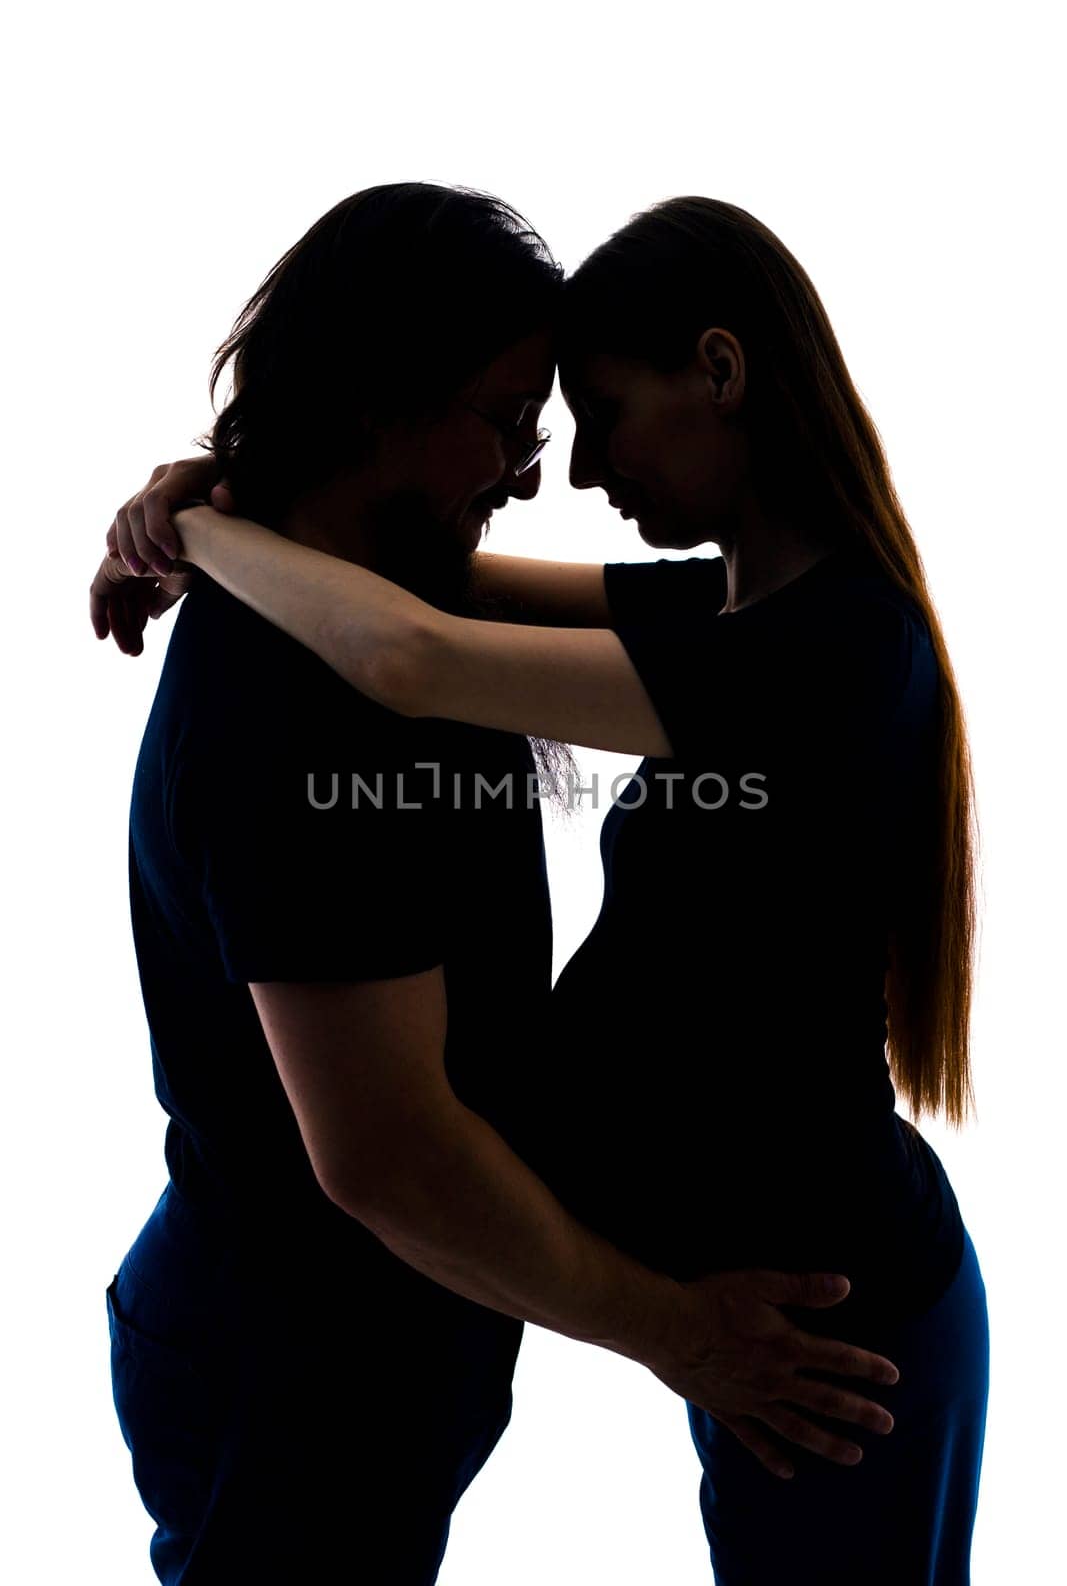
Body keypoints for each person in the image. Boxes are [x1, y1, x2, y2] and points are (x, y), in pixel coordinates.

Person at [90, 185, 906, 1586]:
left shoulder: (430, 608)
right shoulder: (294, 700)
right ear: (367, 399)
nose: (538, 469)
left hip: (401, 1347)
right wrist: (673, 1329)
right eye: (509, 417)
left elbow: (430, 643)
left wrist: (200, 515)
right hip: (291, 1365)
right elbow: (389, 1156)